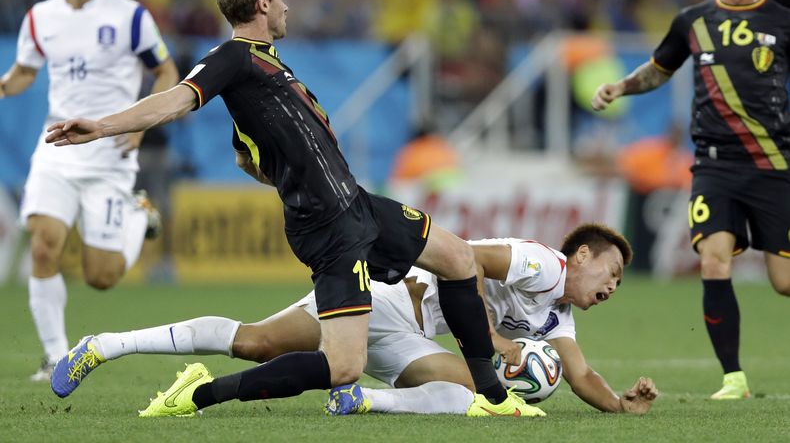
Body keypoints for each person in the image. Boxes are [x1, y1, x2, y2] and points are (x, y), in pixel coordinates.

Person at [45, 0, 533, 417]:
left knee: (459, 260)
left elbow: (246, 158)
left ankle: (493, 397)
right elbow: (175, 100)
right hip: (327, 225)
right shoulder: (234, 57)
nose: (286, 5)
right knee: (343, 367)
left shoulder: (269, 67)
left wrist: (279, 166)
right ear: (261, 4)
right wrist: (105, 126)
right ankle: (199, 394)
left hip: (357, 204)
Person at [51, 223, 658, 416]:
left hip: (410, 337)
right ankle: (107, 343)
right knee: (259, 341)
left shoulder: (558, 316)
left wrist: (625, 406)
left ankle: (361, 401)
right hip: (390, 297)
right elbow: (467, 261)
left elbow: (579, 376)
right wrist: (495, 339)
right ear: (581, 255)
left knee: (484, 394)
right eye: (611, 273)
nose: (612, 287)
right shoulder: (543, 264)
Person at [591, 0, 790, 400]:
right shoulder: (692, 22)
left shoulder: (782, 21)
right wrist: (622, 86)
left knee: (783, 283)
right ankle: (733, 379)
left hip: (772, 165)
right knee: (713, 261)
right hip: (714, 166)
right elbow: (660, 69)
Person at [0, 0, 179, 381]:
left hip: (108, 151)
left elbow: (166, 73)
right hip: (57, 145)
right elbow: (24, 71)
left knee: (102, 276)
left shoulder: (131, 16)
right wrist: (4, 86)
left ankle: (140, 213)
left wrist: (139, 127)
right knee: (44, 247)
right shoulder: (40, 17)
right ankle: (57, 358)